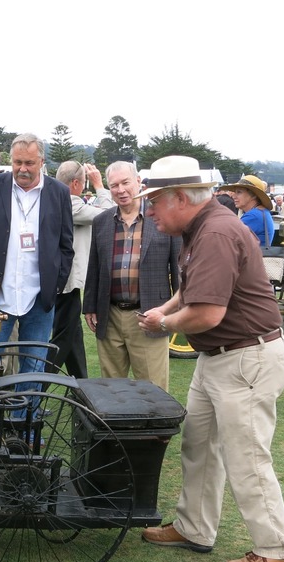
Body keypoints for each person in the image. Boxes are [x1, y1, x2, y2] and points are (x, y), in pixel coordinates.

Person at [135, 155, 284, 562]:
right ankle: (194, 528)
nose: (149, 210)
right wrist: (167, 307)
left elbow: (206, 312)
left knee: (246, 456)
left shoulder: (216, 232)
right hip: (222, 358)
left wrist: (163, 323)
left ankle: (277, 549)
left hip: (245, 358)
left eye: (154, 201)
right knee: (200, 444)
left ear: (180, 198)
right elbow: (192, 290)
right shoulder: (203, 227)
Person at [0, 133, 74, 384]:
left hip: (39, 298)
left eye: (29, 163)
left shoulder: (59, 192)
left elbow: (65, 246)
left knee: (34, 365)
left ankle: (23, 422)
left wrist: (54, 285)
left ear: (41, 162)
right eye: (17, 163)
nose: (22, 169)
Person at [82, 161, 181, 391]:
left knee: (153, 388)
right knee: (112, 388)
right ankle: (118, 428)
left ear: (138, 182)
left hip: (149, 315)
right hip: (110, 316)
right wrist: (89, 306)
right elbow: (94, 267)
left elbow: (178, 270)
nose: (120, 190)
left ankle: (154, 426)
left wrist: (177, 308)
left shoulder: (163, 218)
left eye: (125, 182)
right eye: (114, 185)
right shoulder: (101, 221)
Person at [49, 160, 113, 378]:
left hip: (64, 282)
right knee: (63, 338)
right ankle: (34, 390)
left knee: (72, 336)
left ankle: (81, 387)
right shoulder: (69, 203)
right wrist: (100, 185)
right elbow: (110, 214)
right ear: (75, 183)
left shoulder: (56, 200)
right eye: (84, 182)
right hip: (67, 283)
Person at [223, 175, 275, 247]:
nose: (233, 196)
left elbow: (226, 239)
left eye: (239, 192)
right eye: (234, 192)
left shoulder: (254, 216)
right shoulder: (260, 212)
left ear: (254, 195)